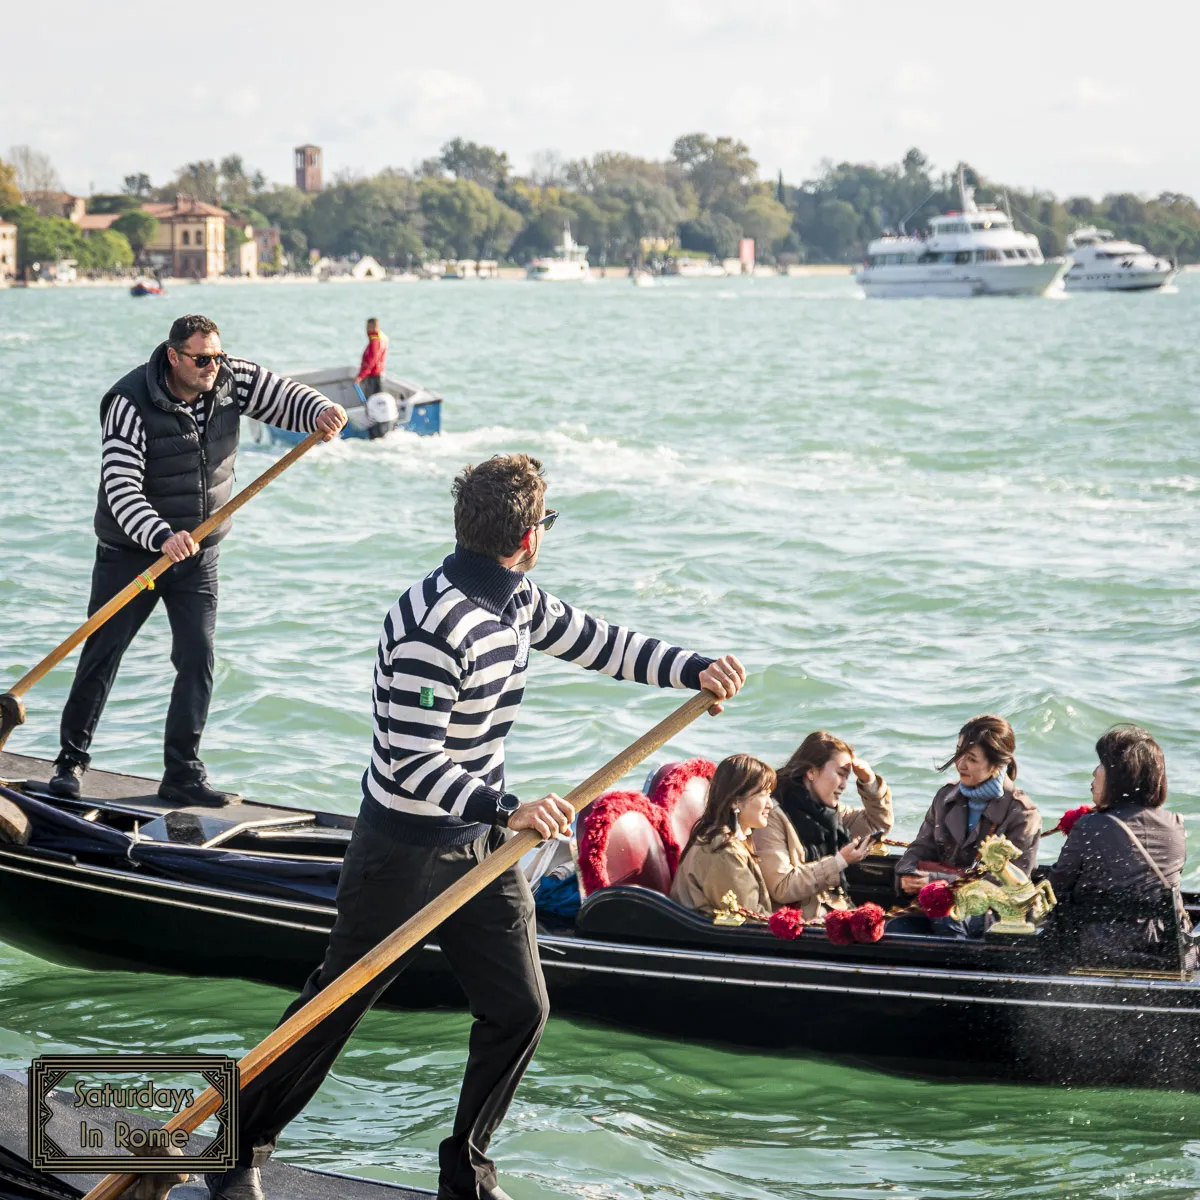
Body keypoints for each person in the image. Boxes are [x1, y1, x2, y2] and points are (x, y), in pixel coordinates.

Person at [215, 453, 745, 1200]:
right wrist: (507, 810)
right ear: (528, 536)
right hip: (401, 849)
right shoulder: (433, 624)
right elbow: (412, 762)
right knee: (335, 1006)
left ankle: (465, 1170)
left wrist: (694, 669)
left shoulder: (518, 599)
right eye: (546, 522)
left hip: (481, 847)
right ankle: (238, 1149)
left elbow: (599, 642)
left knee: (520, 1008)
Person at [48, 315, 347, 808]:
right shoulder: (128, 403)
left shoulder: (231, 377)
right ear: (174, 357)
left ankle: (182, 773)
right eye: (202, 359)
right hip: (132, 553)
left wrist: (321, 410)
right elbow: (120, 488)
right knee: (102, 654)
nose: (213, 366)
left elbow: (285, 396)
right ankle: (70, 762)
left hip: (199, 552)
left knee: (197, 659)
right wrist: (161, 536)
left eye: (218, 356)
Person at [1047, 724, 1194, 969]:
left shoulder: (1090, 826)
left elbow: (1057, 887)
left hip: (1100, 950)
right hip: (1164, 949)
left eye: (1101, 763)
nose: (1094, 772)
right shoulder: (1175, 824)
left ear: (1119, 775)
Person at [893, 714, 1040, 936]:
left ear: (997, 764)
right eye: (958, 753)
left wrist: (938, 882)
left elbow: (1010, 885)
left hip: (991, 915)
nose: (960, 764)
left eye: (971, 759)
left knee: (947, 919)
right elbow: (921, 846)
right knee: (894, 929)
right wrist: (907, 874)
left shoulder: (1023, 814)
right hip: (935, 903)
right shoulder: (945, 797)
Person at [754, 731, 893, 918]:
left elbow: (877, 823)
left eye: (847, 777)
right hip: (800, 922)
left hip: (836, 910)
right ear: (811, 772)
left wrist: (869, 783)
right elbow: (782, 887)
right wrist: (839, 862)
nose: (844, 785)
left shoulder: (830, 814)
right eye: (840, 774)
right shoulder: (771, 815)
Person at [670, 754, 775, 918]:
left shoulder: (725, 839)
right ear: (735, 801)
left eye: (770, 794)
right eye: (763, 794)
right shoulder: (723, 851)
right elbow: (750, 918)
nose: (770, 804)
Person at [355, 317, 388, 396]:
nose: (366, 330)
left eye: (368, 327)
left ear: (372, 327)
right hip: (378, 375)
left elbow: (371, 361)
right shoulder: (381, 339)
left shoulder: (375, 342)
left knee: (371, 399)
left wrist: (360, 377)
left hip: (374, 378)